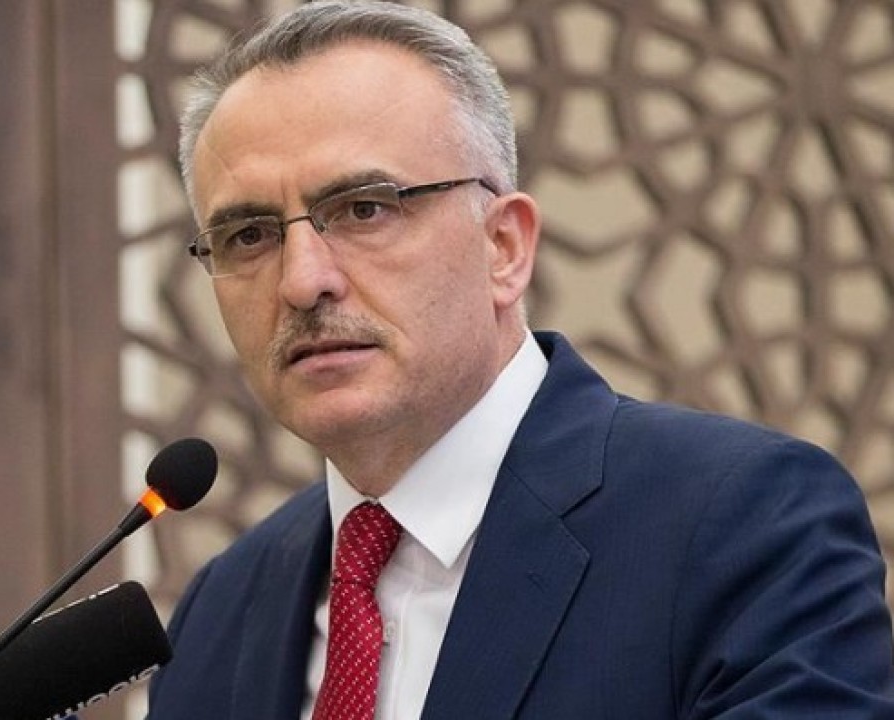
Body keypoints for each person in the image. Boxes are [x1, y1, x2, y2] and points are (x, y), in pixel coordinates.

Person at [145, 2, 894, 718]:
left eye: (365, 209)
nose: (303, 281)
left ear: (503, 247)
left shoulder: (742, 522)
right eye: (249, 236)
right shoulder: (220, 611)